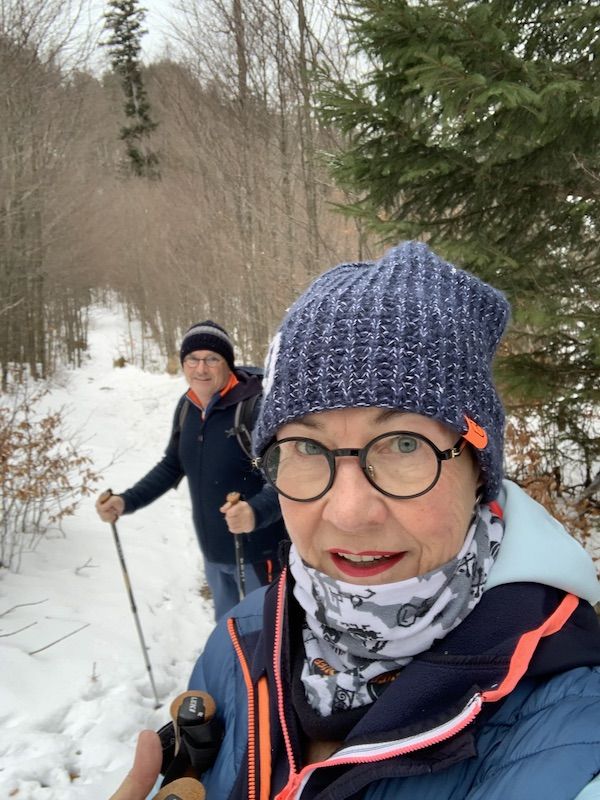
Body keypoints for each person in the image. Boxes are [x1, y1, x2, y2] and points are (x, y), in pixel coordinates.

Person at [109, 243, 600, 800]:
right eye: (305, 446)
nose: (348, 512)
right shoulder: (241, 639)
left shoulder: (575, 724)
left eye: (404, 444)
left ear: (478, 472)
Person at [96, 320, 287, 621]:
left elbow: (284, 479)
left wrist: (254, 512)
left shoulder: (254, 409)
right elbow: (173, 465)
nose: (201, 369)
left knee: (264, 637)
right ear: (183, 364)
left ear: (227, 364)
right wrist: (126, 501)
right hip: (214, 554)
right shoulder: (188, 408)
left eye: (212, 359)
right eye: (192, 359)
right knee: (226, 635)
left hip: (257, 555)